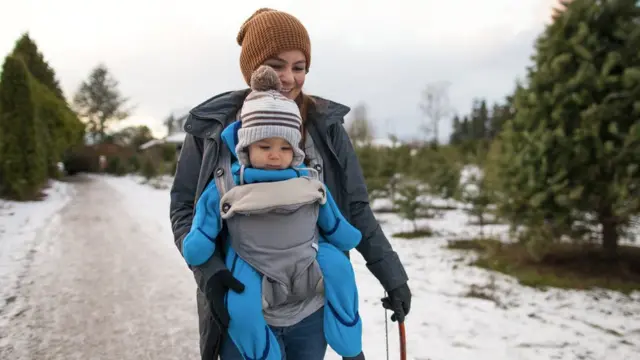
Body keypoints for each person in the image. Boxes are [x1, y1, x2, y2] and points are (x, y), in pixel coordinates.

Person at [169, 7, 412, 360]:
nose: (288, 78)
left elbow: (354, 208)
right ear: (252, 70)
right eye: (276, 65)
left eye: (299, 67)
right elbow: (183, 208)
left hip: (310, 305)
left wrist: (392, 274)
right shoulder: (209, 128)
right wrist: (210, 272)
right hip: (241, 301)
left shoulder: (326, 129)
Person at [180, 65, 365, 360]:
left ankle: (348, 341)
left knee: (341, 271)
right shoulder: (228, 182)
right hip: (253, 261)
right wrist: (201, 248)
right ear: (246, 147)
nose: (275, 155)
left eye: (284, 148)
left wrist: (344, 234)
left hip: (307, 255)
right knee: (241, 306)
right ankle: (262, 353)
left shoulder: (308, 180)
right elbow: (203, 217)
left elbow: (331, 216)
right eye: (264, 146)